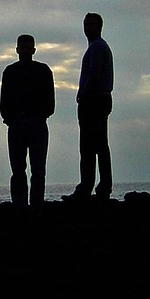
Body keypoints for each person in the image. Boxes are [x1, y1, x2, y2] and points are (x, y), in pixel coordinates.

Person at [0, 34, 56, 206]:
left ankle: (36, 208)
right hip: (17, 126)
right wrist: (12, 120)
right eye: (22, 47)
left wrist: (38, 117)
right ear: (17, 50)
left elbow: (50, 104)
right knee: (18, 171)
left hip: (37, 125)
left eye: (28, 47)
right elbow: (4, 103)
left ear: (34, 50)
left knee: (38, 171)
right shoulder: (9, 72)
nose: (25, 51)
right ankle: (20, 208)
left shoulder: (44, 71)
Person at [66, 12, 113, 200]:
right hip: (97, 99)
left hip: (94, 100)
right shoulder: (96, 47)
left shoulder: (97, 48)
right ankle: (96, 185)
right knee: (98, 145)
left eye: (92, 25)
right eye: (86, 24)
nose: (88, 28)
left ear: (99, 27)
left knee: (90, 146)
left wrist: (83, 94)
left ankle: (88, 186)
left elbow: (94, 74)